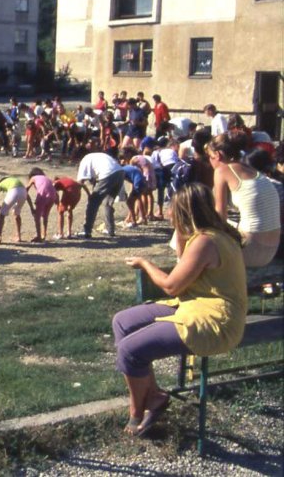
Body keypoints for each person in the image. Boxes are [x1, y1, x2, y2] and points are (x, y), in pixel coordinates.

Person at [115, 184, 246, 437]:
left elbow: (171, 286)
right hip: (194, 305)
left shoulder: (207, 241)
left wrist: (145, 263)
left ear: (184, 211)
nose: (168, 212)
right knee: (122, 322)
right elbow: (182, 273)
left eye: (172, 208)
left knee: (129, 350)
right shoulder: (209, 236)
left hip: (215, 321)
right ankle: (152, 396)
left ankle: (136, 409)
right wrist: (181, 235)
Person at [208, 133, 281, 267]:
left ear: (217, 155)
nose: (210, 161)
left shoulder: (222, 171)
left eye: (210, 157)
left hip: (250, 249)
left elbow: (220, 215)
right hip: (272, 250)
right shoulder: (252, 170)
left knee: (197, 225)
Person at [77, 151, 124, 238]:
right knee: (108, 203)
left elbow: (80, 182)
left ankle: (86, 231)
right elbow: (95, 179)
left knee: (93, 203)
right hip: (120, 172)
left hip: (107, 174)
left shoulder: (85, 160)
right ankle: (110, 230)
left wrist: (78, 196)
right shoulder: (97, 156)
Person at [0, 175, 29, 243]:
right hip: (23, 192)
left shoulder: (1, 183)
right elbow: (27, 195)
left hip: (13, 191)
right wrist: (31, 207)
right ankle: (18, 237)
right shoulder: (15, 180)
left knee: (1, 215)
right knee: (17, 213)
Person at [26, 168, 58, 243]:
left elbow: (26, 188)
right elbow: (53, 188)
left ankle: (39, 236)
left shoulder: (33, 178)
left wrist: (29, 203)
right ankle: (44, 234)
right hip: (52, 195)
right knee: (45, 215)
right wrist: (57, 200)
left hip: (43, 194)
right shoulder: (47, 178)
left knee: (37, 217)